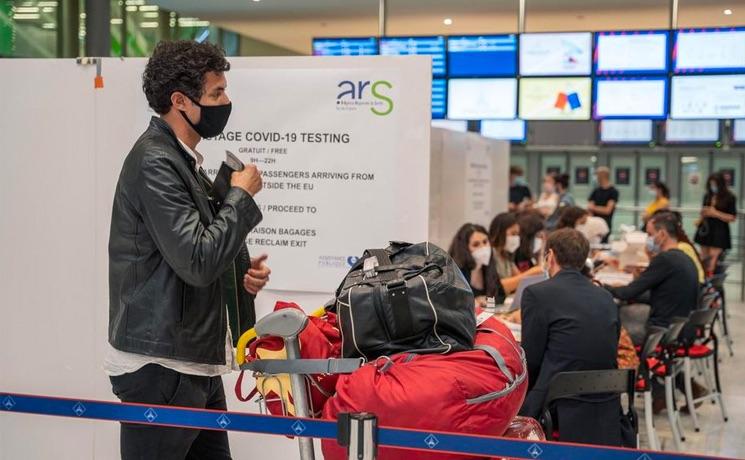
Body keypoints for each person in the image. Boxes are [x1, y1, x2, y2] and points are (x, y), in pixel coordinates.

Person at [106, 41, 270, 460]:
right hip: (163, 367)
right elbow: (197, 262)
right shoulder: (155, 162)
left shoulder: (181, 162)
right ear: (180, 101)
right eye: (216, 93)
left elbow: (195, 254)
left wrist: (241, 277)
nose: (225, 101)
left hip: (192, 361)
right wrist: (240, 198)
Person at [519, 228, 622, 445]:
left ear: (550, 256)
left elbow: (531, 359)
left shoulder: (537, 294)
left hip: (557, 405)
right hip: (606, 405)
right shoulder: (605, 297)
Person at [606, 212, 699, 329]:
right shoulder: (683, 257)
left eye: (650, 234)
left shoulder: (665, 259)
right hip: (679, 328)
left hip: (661, 330)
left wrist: (600, 287)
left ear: (662, 234)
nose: (648, 239)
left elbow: (627, 293)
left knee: (612, 322)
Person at [448, 223, 506, 306]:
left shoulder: (487, 267)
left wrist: (487, 301)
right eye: (476, 244)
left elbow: (501, 296)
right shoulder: (455, 272)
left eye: (485, 242)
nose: (483, 247)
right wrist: (472, 302)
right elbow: (452, 303)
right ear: (465, 249)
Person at [488, 212, 545, 294]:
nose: (516, 238)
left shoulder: (506, 255)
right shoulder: (491, 255)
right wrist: (532, 273)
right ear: (500, 232)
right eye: (513, 234)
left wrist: (540, 253)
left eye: (517, 234)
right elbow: (498, 286)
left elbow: (519, 280)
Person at [694, 172, 737, 275]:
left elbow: (732, 217)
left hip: (719, 231)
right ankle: (702, 280)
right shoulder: (708, 195)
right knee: (703, 258)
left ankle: (710, 282)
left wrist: (715, 213)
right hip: (706, 229)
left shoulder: (729, 197)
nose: (713, 186)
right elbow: (704, 210)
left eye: (715, 184)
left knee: (713, 259)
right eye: (711, 184)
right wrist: (704, 212)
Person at [652, 210, 705, 285]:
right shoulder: (683, 244)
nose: (651, 238)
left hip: (693, 287)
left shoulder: (680, 248)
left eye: (651, 233)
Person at [588, 167, 619, 243]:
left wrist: (594, 208)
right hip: (593, 226)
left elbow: (607, 210)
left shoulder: (613, 192)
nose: (596, 178)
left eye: (597, 175)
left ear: (602, 176)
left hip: (605, 225)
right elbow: (589, 207)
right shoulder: (596, 191)